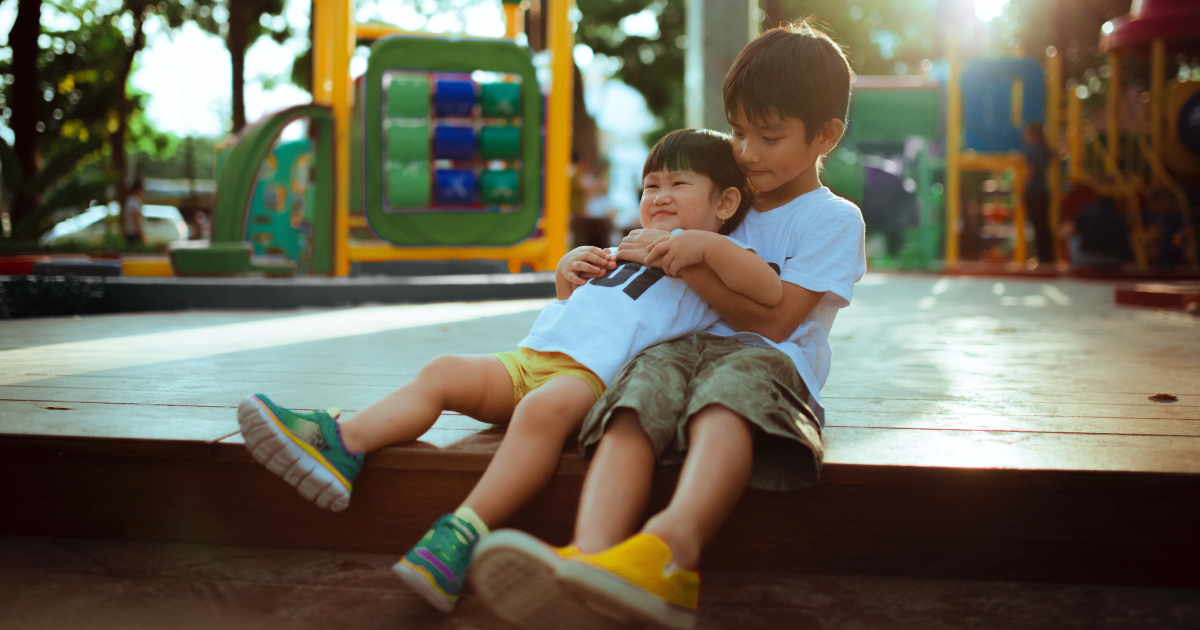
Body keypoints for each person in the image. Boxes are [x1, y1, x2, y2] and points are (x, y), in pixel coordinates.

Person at [235, 129, 782, 614]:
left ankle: (461, 534)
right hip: (530, 359)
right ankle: (343, 443)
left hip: (588, 379)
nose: (659, 196)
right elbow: (591, 306)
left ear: (726, 202)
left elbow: (767, 288)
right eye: (650, 186)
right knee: (444, 370)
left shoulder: (715, 260)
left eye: (678, 185)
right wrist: (569, 275)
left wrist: (699, 244)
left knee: (540, 414)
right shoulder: (630, 247)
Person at [470, 21, 865, 630]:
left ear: (826, 136)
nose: (749, 152)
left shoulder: (833, 219)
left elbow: (782, 320)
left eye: (770, 135)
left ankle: (669, 553)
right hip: (679, 347)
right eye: (738, 132)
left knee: (724, 401)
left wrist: (689, 253)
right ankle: (593, 556)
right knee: (633, 398)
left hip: (770, 360)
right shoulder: (725, 194)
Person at [1022, 123, 1054, 265]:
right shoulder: (1045, 150)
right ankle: (1048, 257)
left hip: (1034, 192)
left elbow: (1030, 171)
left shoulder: (1032, 151)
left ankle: (1043, 258)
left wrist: (1022, 189)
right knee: (1044, 225)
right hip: (1045, 191)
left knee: (1037, 225)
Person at [122, 179, 146, 245]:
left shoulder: (128, 200)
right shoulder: (136, 201)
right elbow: (136, 218)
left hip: (128, 232)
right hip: (134, 233)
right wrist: (141, 234)